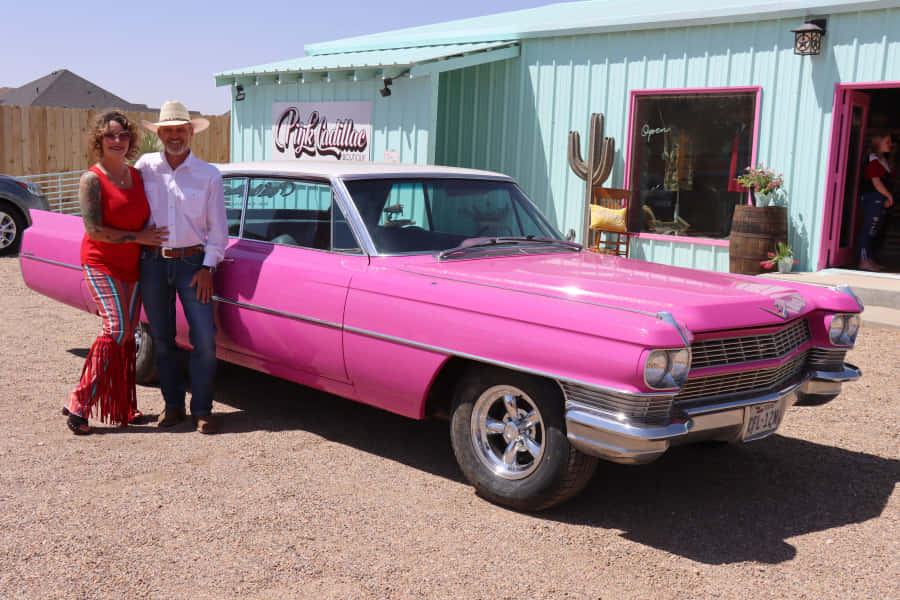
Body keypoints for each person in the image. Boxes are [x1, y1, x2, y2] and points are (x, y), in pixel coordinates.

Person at [64, 111, 169, 435]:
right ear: (99, 139)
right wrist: (141, 238)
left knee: (127, 338)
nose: (118, 141)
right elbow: (94, 230)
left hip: (132, 265)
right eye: (110, 135)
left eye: (123, 135)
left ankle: (123, 406)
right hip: (100, 262)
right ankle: (79, 403)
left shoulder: (136, 176)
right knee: (117, 329)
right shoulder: (92, 179)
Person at [135, 101, 227, 434]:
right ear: (160, 133)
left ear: (191, 132)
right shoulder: (144, 167)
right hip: (152, 263)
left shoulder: (209, 175)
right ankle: (172, 406)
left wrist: (208, 268)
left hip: (193, 265)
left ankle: (202, 409)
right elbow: (125, 203)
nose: (175, 136)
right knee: (162, 338)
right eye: (169, 130)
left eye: (181, 130)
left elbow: (219, 231)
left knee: (205, 338)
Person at [858, 133, 895, 271]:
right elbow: (876, 181)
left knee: (874, 231)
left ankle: (869, 259)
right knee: (869, 229)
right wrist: (889, 196)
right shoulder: (872, 158)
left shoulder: (882, 160)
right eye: (888, 141)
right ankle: (863, 260)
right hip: (872, 198)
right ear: (878, 141)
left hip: (879, 200)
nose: (890, 144)